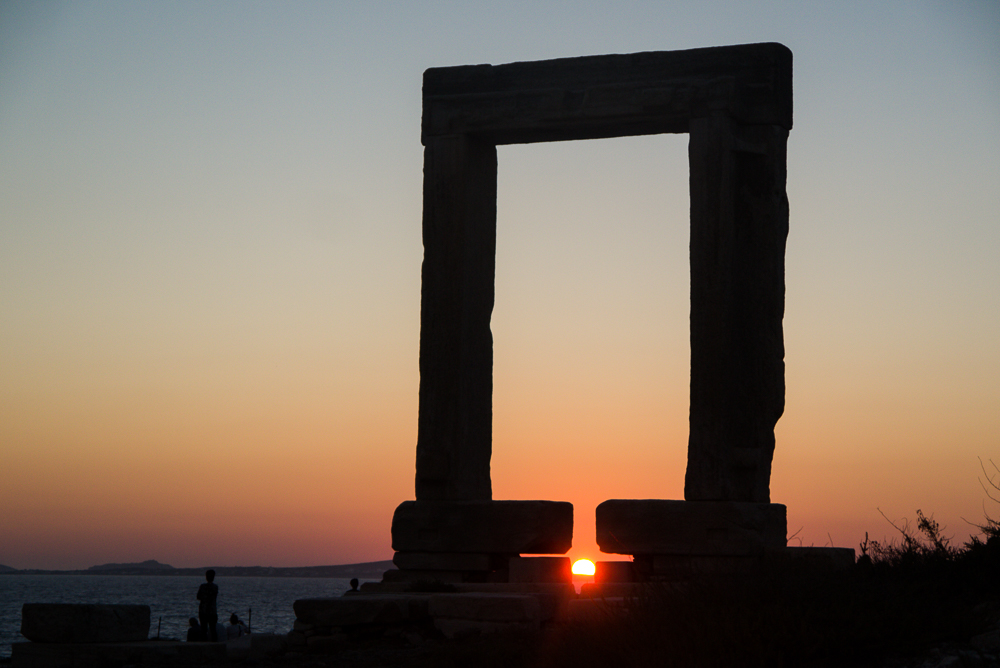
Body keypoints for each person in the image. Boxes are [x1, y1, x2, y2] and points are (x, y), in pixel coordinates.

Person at [196, 569, 219, 641]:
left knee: (203, 630)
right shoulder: (215, 587)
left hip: (203, 610)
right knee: (213, 629)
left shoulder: (202, 586)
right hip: (212, 611)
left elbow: (198, 597)